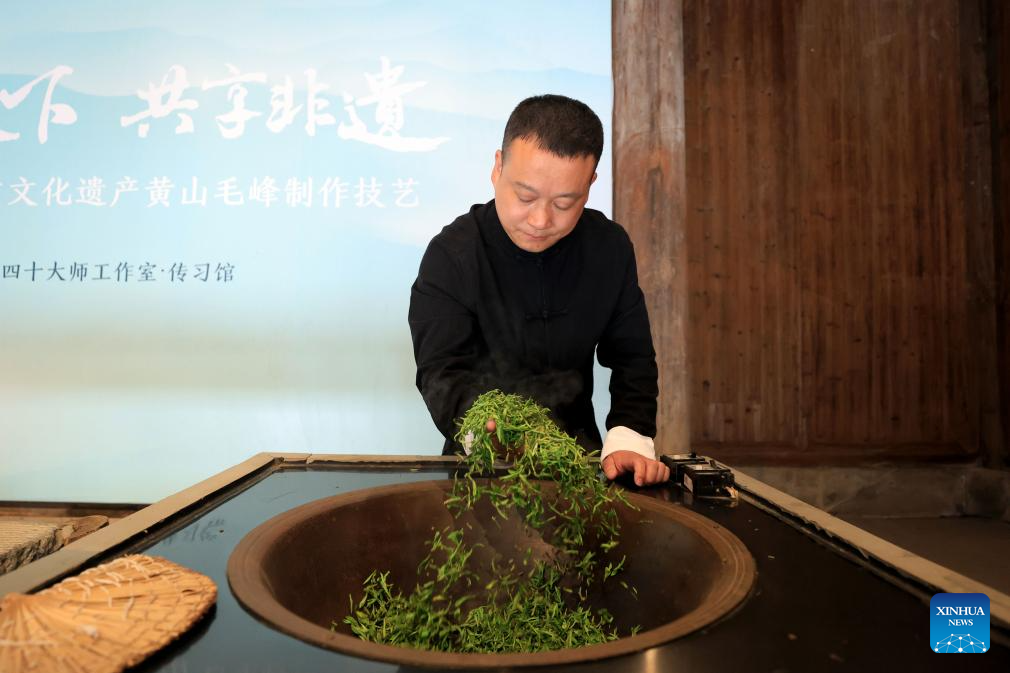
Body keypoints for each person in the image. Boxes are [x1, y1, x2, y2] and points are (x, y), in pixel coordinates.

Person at [408, 94, 670, 486]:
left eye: (566, 202)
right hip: (479, 469)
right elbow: (441, 372)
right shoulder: (453, 255)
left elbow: (632, 360)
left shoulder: (608, 249)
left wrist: (629, 438)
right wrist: (491, 435)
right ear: (497, 168)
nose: (541, 220)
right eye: (525, 196)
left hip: (580, 467)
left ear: (590, 184)